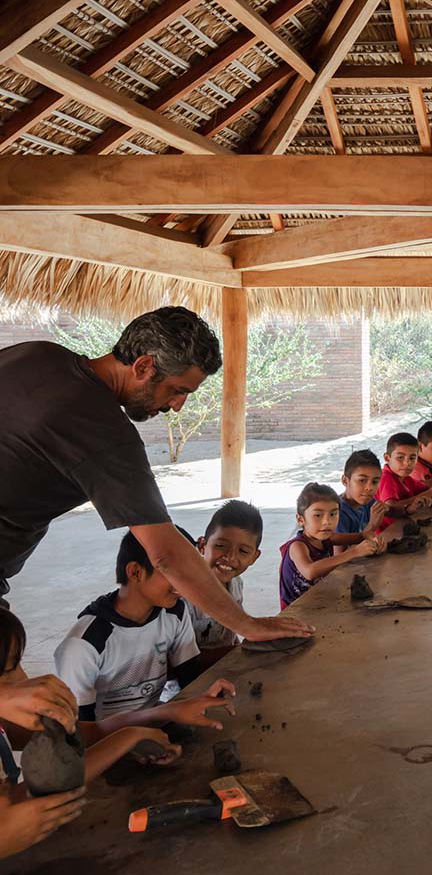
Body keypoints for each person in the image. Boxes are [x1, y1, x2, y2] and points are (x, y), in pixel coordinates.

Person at [0, 304, 311, 723]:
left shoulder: (38, 355)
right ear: (143, 366)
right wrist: (249, 624)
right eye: (177, 390)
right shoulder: (105, 433)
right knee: (36, 721)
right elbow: (166, 553)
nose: (179, 405)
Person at [0, 607, 178, 858]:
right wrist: (128, 737)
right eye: (8, 671)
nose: (24, 677)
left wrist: (150, 721)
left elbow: (83, 736)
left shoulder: (6, 725)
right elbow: (39, 799)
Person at [54, 531, 236, 731]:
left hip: (155, 723)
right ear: (135, 572)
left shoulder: (174, 612)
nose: (186, 584)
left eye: (189, 573)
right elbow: (82, 732)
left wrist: (206, 693)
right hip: (105, 742)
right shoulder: (84, 644)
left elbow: (189, 678)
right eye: (174, 572)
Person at [280, 483, 383, 609]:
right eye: (318, 515)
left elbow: (361, 536)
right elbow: (310, 571)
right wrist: (354, 552)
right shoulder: (297, 546)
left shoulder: (328, 538)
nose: (327, 521)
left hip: (320, 599)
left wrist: (374, 541)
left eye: (333, 514)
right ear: (301, 519)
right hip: (297, 609)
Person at [187, 501, 263, 664]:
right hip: (188, 686)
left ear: (254, 557)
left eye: (243, 551)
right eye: (221, 546)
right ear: (202, 546)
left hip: (225, 671)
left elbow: (230, 631)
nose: (230, 557)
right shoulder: (183, 594)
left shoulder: (236, 583)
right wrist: (237, 653)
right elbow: (175, 665)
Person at [376, 433, 432, 530]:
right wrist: (430, 493)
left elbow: (424, 487)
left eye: (412, 458)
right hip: (386, 535)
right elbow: (391, 507)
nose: (407, 463)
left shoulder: (406, 478)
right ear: (387, 458)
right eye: (400, 457)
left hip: (403, 527)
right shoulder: (385, 478)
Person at [337, 449, 388, 536]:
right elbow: (343, 550)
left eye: (375, 482)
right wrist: (372, 526)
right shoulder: (338, 513)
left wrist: (407, 509)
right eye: (362, 480)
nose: (369, 488)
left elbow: (390, 510)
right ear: (345, 481)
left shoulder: (369, 502)